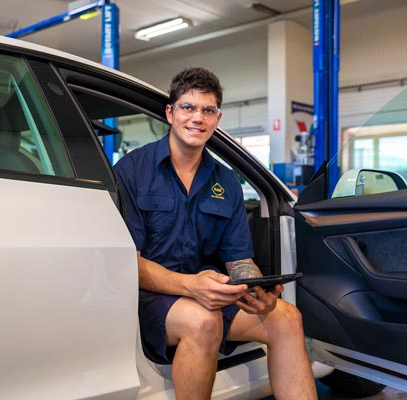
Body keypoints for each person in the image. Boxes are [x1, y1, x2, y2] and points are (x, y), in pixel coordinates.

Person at [113, 67, 316, 400]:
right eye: (188, 107)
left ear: (217, 118)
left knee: (287, 317)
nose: (198, 118)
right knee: (203, 320)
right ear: (170, 112)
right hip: (150, 299)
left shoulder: (226, 181)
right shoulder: (133, 170)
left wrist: (253, 289)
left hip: (209, 293)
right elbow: (128, 264)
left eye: (208, 110)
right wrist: (191, 286)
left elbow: (238, 259)